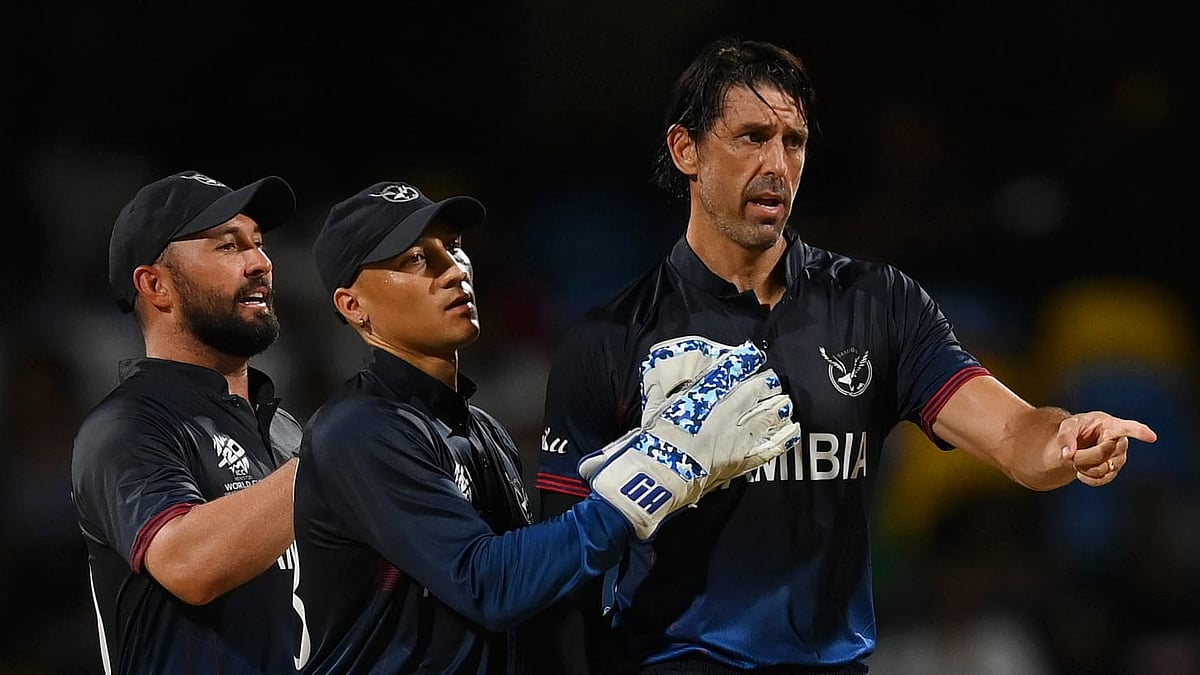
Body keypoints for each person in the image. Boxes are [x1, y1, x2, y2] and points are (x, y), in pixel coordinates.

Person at [533, 36, 1159, 674]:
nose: (777, 164)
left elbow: (1015, 435)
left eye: (793, 141)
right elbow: (554, 572)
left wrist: (1066, 440)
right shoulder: (607, 340)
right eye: (751, 137)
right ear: (685, 149)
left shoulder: (879, 305)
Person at [290, 180, 801, 674]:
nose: (453, 270)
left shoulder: (481, 429)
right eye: (416, 260)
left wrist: (645, 457)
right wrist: (655, 474)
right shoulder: (359, 430)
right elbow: (490, 587)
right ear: (352, 306)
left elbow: (534, 596)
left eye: (453, 246)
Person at [70, 170, 303, 674]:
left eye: (258, 244)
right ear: (155, 285)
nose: (260, 262)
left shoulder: (285, 430)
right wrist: (338, 456)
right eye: (227, 246)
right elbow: (187, 564)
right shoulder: (128, 424)